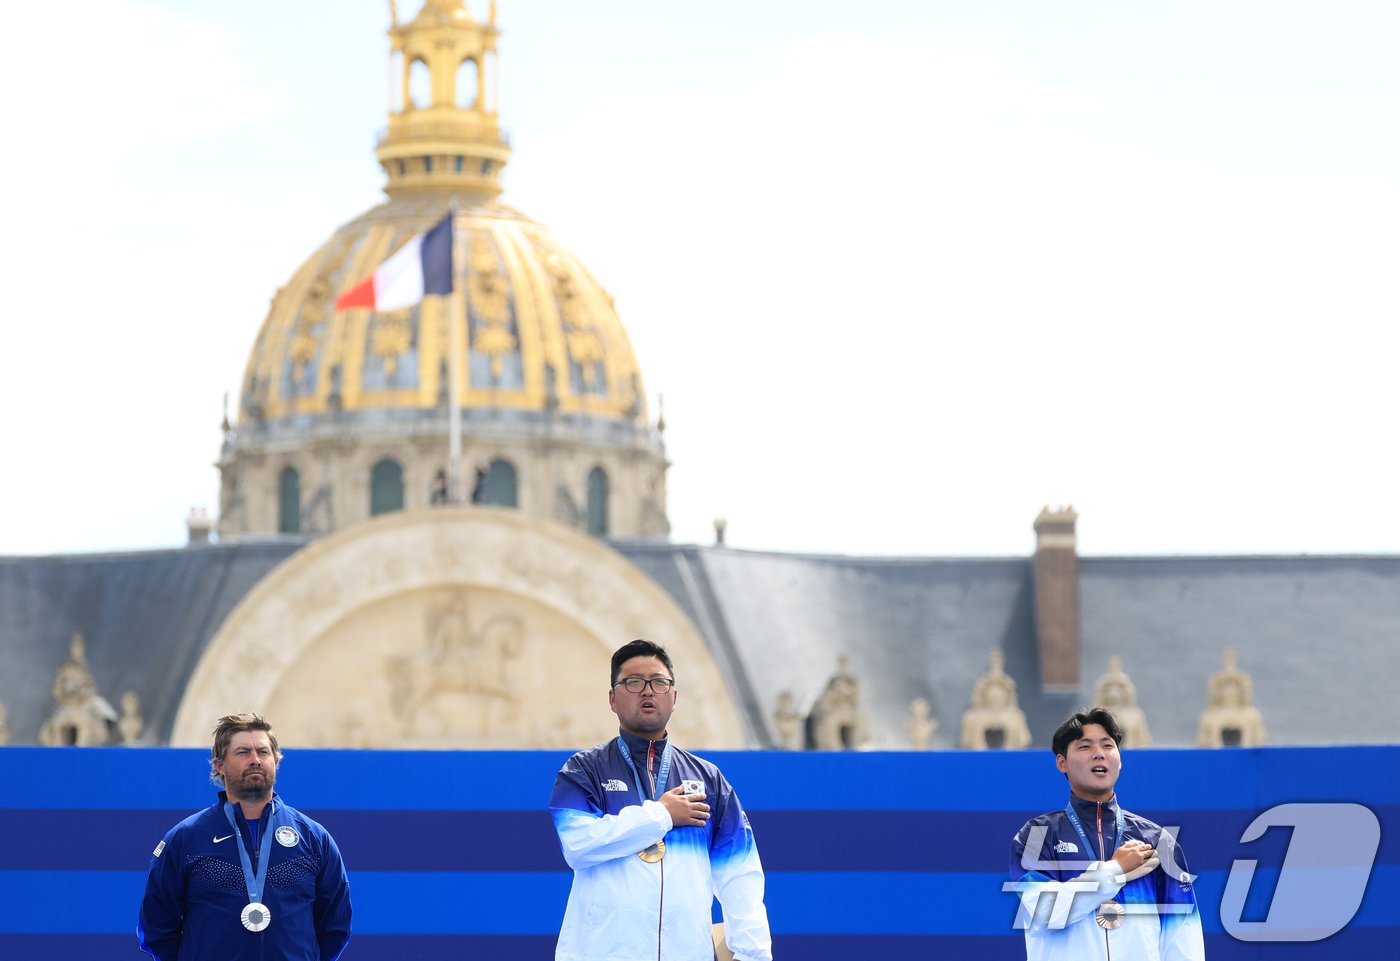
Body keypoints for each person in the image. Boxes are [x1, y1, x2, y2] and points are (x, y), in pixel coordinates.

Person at [550, 639, 773, 960]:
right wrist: (663, 815)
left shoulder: (708, 780)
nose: (647, 690)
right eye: (633, 682)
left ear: (674, 697)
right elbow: (578, 846)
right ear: (612, 699)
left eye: (658, 682)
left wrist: (754, 955)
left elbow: (740, 874)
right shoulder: (584, 770)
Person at [138, 712, 352, 961]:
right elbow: (156, 928)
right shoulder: (186, 839)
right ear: (219, 765)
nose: (255, 760)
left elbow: (335, 927)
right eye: (243, 752)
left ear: (276, 761)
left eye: (263, 752)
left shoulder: (313, 838)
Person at [1007, 707, 1205, 960]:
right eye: (1085, 747)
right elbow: (1045, 913)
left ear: (1120, 760)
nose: (1099, 754)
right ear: (1061, 762)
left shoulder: (1158, 841)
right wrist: (1115, 871)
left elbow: (1182, 939)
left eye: (1107, 746)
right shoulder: (1037, 836)